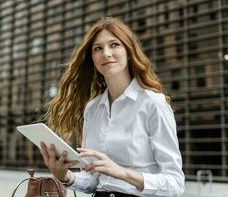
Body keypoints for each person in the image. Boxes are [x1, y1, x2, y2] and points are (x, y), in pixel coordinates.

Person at [39, 17, 185, 197]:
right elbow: (93, 180)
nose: (106, 53)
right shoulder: (92, 108)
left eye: (114, 45)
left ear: (129, 51)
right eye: (98, 48)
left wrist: (121, 172)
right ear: (92, 58)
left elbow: (175, 184)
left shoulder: (153, 104)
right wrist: (64, 176)